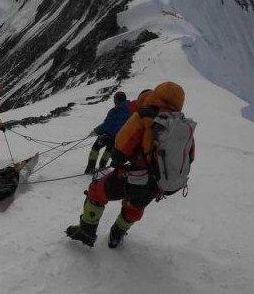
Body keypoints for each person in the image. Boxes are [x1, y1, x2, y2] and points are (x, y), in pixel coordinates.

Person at [66, 82, 195, 248]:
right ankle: (116, 236)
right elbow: (190, 158)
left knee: (97, 190)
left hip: (133, 177)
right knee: (134, 207)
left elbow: (120, 149)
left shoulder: (145, 115)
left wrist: (124, 160)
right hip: (158, 184)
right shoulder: (183, 126)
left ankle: (86, 231)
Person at [84, 91, 131, 174]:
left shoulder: (115, 111)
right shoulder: (130, 109)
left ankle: (90, 168)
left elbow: (107, 124)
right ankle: (102, 165)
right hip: (119, 137)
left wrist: (95, 131)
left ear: (117, 100)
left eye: (115, 99)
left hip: (107, 135)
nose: (114, 101)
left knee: (95, 148)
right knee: (109, 150)